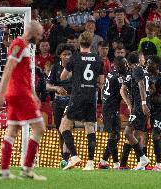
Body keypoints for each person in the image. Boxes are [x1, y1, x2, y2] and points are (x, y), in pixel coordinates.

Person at [0, 21, 47, 180]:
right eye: (39, 35)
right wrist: (0, 93)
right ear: (32, 32)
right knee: (39, 128)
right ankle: (27, 170)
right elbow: (8, 68)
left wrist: (34, 94)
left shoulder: (23, 47)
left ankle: (4, 172)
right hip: (19, 94)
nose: (40, 38)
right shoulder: (18, 44)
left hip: (18, 93)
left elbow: (25, 75)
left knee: (12, 130)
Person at [59, 31, 104, 171]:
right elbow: (101, 81)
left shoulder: (75, 58)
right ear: (91, 43)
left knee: (64, 126)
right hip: (91, 96)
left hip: (78, 95)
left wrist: (74, 73)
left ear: (79, 43)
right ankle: (90, 162)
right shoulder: (98, 59)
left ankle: (74, 156)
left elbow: (62, 77)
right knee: (89, 127)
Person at [120, 52, 150, 170]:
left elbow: (141, 85)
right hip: (141, 105)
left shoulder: (136, 69)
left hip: (139, 106)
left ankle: (142, 158)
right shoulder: (142, 71)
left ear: (128, 63)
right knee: (136, 134)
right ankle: (141, 163)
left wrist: (143, 103)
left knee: (127, 132)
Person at [46, 43, 74, 168]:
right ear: (60, 56)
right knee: (60, 130)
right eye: (65, 54)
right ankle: (64, 158)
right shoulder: (55, 68)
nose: (67, 57)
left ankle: (66, 159)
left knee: (66, 128)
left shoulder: (76, 67)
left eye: (69, 54)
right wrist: (56, 87)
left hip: (71, 102)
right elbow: (47, 86)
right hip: (58, 102)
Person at [98, 57, 127, 169]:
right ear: (120, 65)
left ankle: (103, 161)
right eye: (124, 64)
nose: (126, 66)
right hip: (111, 108)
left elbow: (103, 89)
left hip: (109, 107)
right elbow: (123, 92)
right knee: (114, 135)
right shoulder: (119, 77)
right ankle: (116, 164)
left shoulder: (110, 74)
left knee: (116, 135)